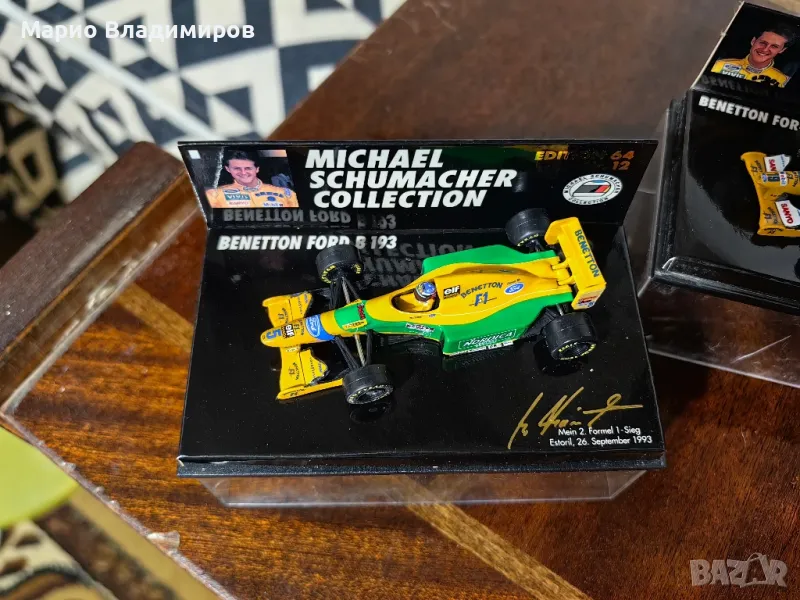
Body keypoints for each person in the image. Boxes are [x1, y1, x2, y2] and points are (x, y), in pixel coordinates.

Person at [206, 150, 299, 208]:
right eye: (237, 168)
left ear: (257, 169)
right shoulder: (214, 195)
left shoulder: (287, 194)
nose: (243, 173)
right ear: (228, 169)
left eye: (248, 168)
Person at [711, 27, 794, 87]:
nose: (765, 49)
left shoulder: (783, 81)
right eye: (763, 43)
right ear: (753, 41)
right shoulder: (719, 65)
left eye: (774, 46)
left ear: (782, 50)